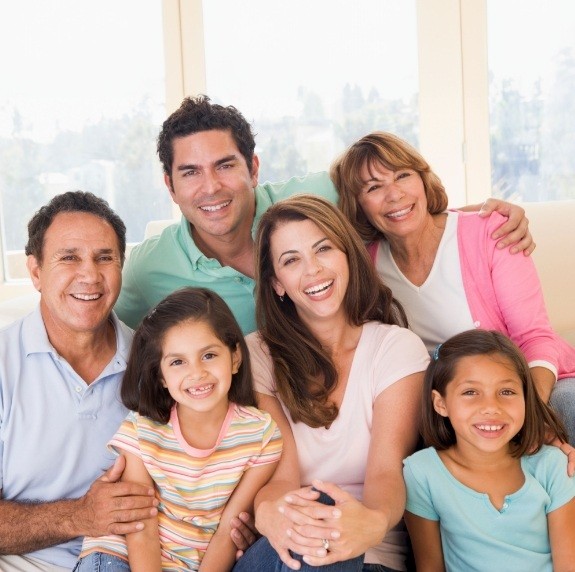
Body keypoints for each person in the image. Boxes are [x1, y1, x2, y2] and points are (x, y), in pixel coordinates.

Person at [115, 95, 535, 335]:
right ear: (169, 185)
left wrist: (484, 220)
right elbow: (106, 338)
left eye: (225, 165)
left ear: (253, 168)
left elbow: (396, 201)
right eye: (190, 173)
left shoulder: (317, 196)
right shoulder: (147, 268)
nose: (211, 188)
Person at [332, 131, 575, 445]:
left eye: (403, 176)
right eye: (374, 187)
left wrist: (528, 410)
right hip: (446, 405)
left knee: (568, 407)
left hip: (533, 383)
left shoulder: (491, 232)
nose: (394, 195)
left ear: (423, 180)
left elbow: (535, 337)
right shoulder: (366, 268)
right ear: (358, 204)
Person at [233, 194, 430, 572]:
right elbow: (281, 475)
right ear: (277, 283)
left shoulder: (394, 348)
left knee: (329, 526)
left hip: (372, 555)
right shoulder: (256, 354)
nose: (313, 270)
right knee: (318, 518)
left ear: (347, 256)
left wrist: (369, 524)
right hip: (286, 551)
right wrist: (268, 512)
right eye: (292, 260)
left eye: (323, 249)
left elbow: (386, 472)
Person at [0, 191, 157, 572]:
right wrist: (79, 517)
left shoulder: (159, 364)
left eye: (105, 258)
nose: (90, 275)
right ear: (35, 272)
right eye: (69, 257)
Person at [76, 287, 282, 571]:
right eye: (177, 362)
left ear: (235, 357)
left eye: (209, 355)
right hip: (122, 553)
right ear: (161, 376)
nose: (196, 373)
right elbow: (141, 525)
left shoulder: (261, 435)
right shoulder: (141, 431)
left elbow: (228, 532)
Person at [403, 329, 575, 571]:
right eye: (470, 392)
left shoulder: (553, 466)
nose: (491, 407)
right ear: (440, 403)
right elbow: (429, 566)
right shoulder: (422, 473)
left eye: (506, 392)